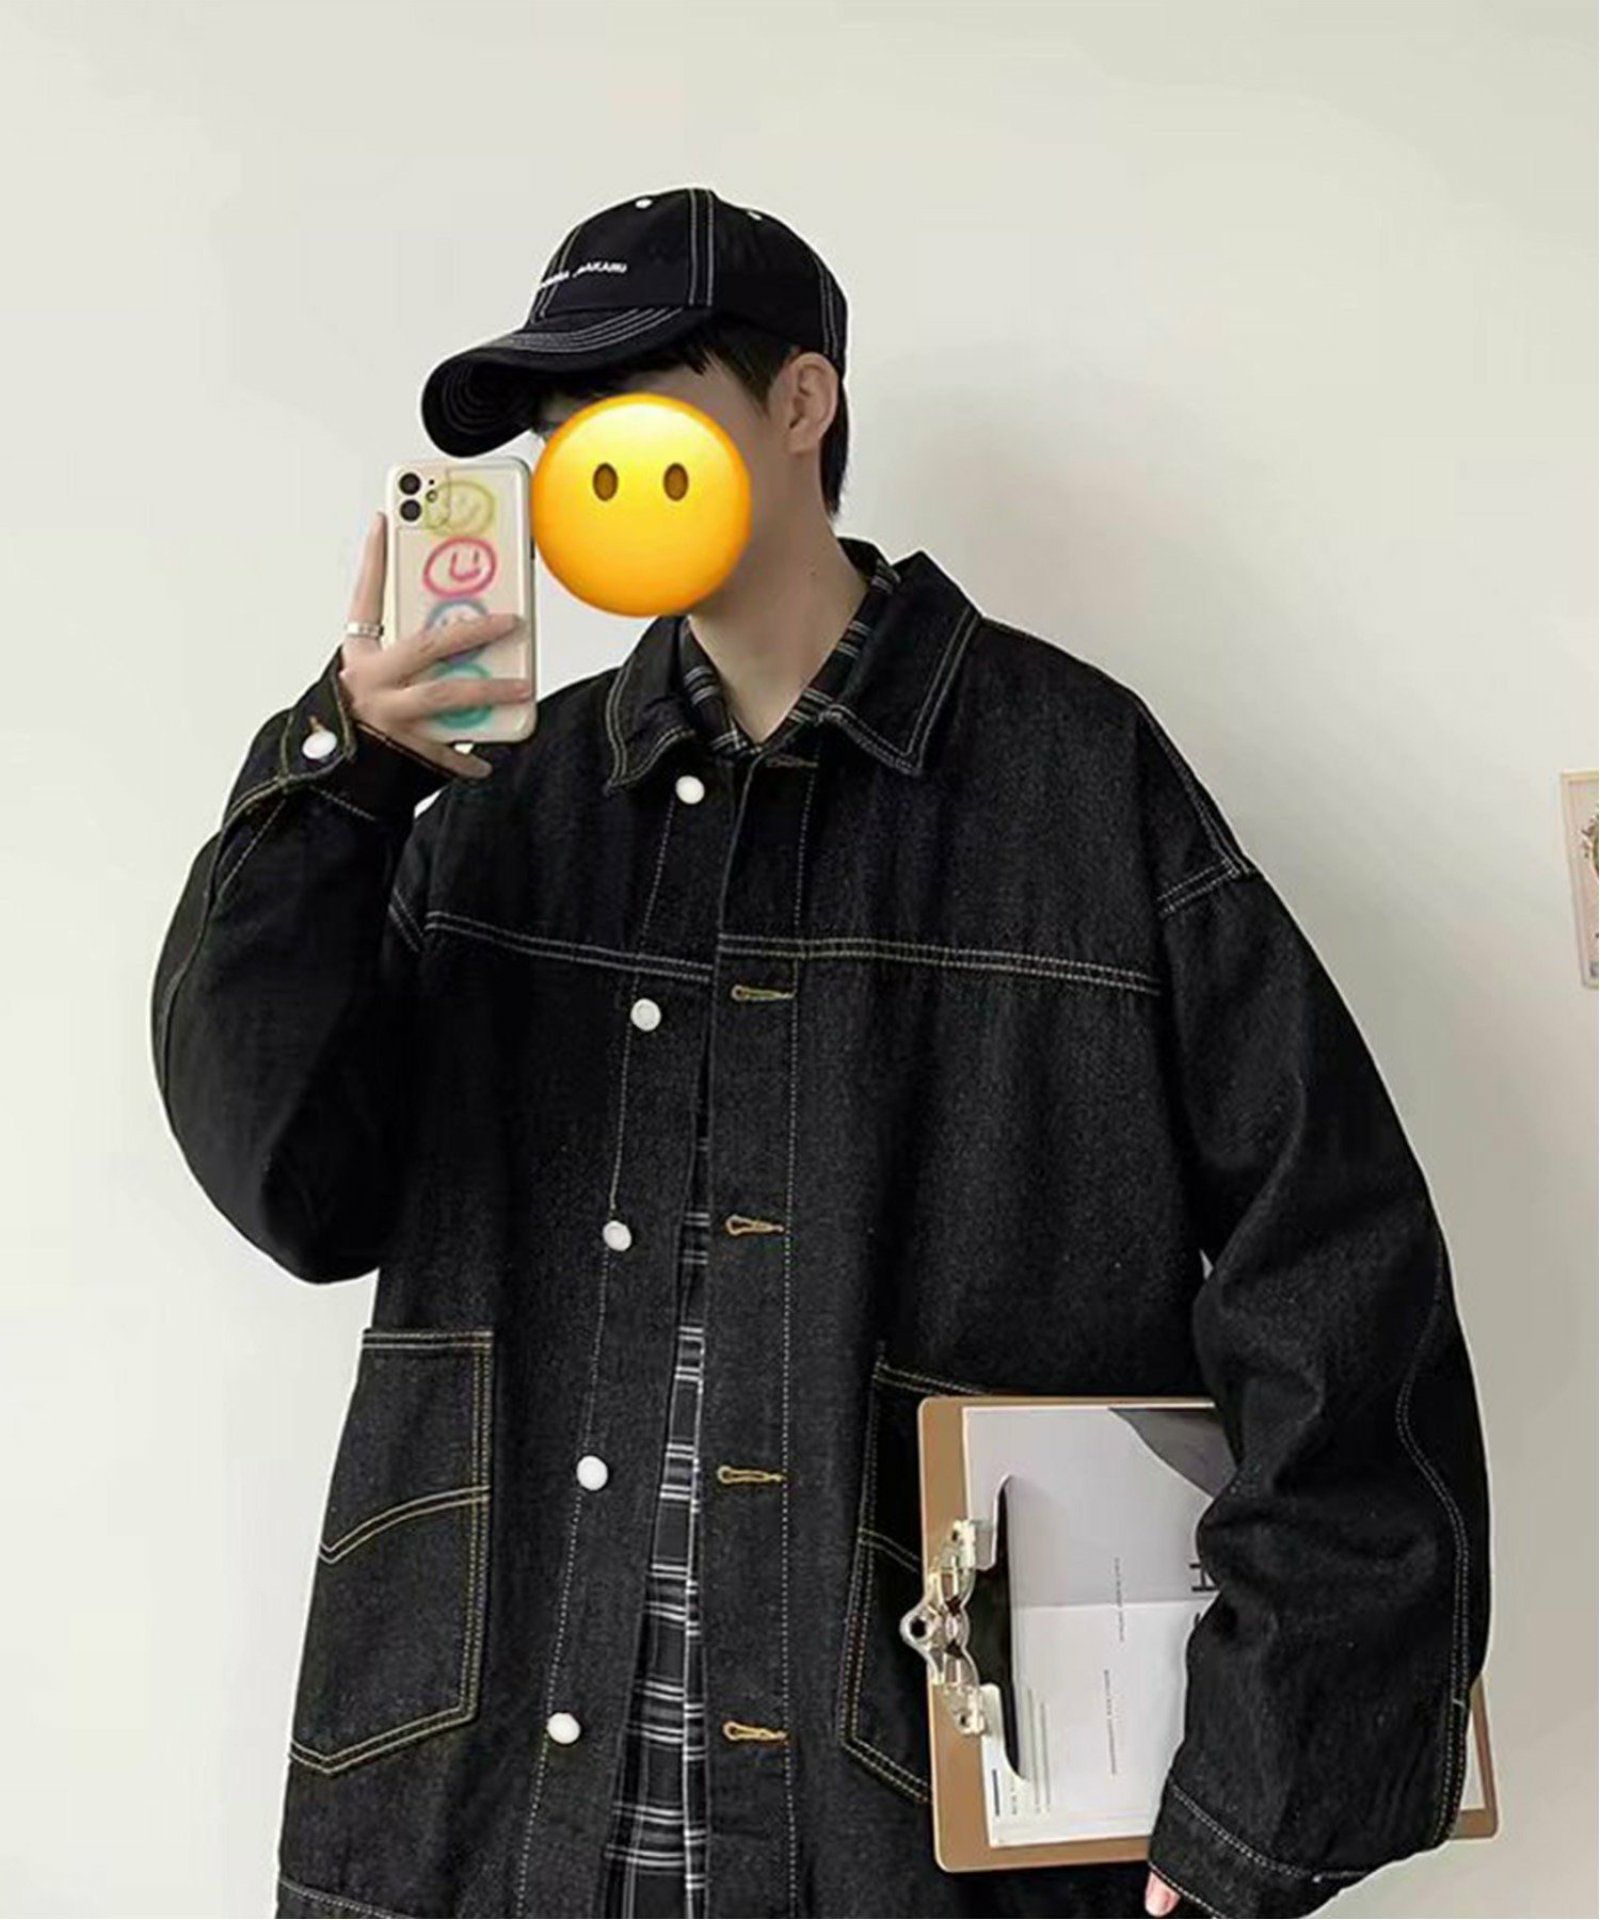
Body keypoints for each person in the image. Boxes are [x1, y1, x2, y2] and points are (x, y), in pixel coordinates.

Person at [150, 186, 1492, 1920]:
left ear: (802, 402)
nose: (585, 460)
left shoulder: (1075, 784)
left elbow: (1342, 1261)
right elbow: (295, 1182)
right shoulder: (502, 807)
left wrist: (1267, 1776)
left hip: (899, 1846)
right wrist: (341, 770)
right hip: (495, 1824)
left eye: (635, 398)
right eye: (559, 426)